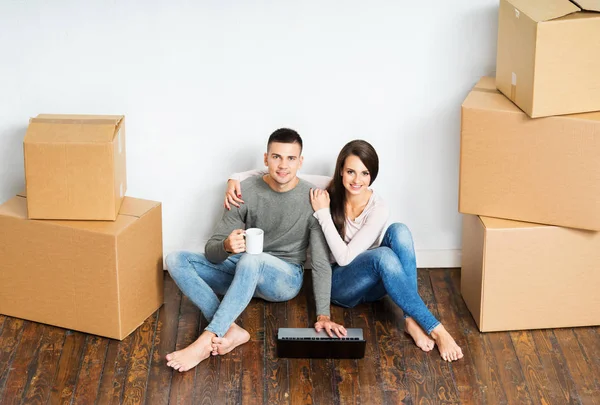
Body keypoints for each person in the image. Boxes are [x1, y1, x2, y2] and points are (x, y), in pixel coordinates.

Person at [225, 140, 464, 362]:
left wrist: (322, 214)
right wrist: (234, 178)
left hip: (373, 280)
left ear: (372, 175)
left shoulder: (378, 207)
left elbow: (347, 254)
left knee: (399, 231)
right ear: (341, 171)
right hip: (339, 285)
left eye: (364, 173)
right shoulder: (327, 190)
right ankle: (436, 329)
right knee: (383, 256)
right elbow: (283, 174)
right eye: (351, 172)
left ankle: (413, 319)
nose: (356, 180)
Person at [164, 128, 345, 372]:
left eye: (291, 158)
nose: (283, 165)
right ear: (265, 159)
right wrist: (227, 246)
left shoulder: (312, 198)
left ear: (300, 162)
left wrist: (323, 314)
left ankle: (207, 340)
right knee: (175, 259)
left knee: (252, 259)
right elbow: (211, 252)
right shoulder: (246, 190)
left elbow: (321, 263)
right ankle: (231, 330)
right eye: (276, 157)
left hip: (284, 279)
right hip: (243, 270)